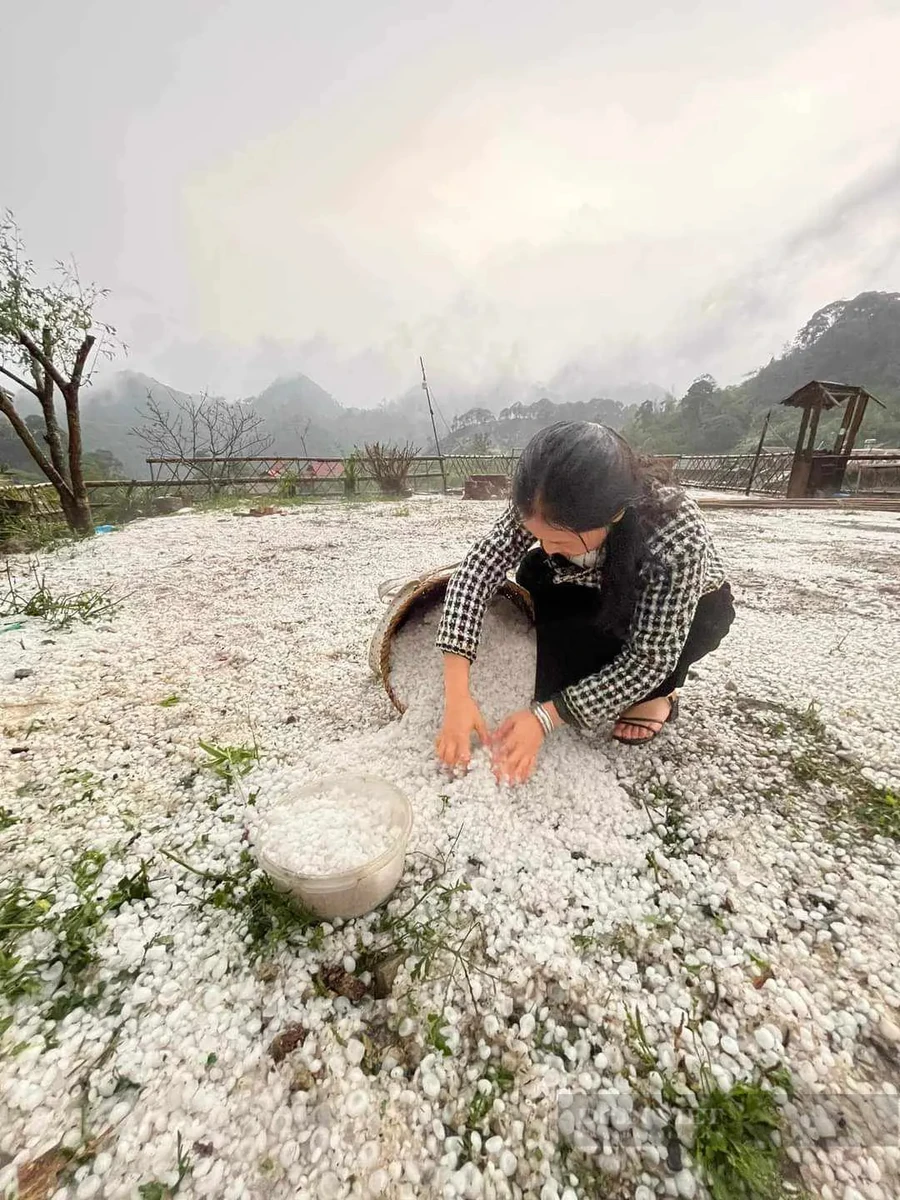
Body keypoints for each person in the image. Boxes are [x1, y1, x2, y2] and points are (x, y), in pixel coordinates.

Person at [435, 422, 734, 783]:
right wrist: (456, 693)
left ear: (613, 514)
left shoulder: (675, 533)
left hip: (678, 607)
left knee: (704, 619)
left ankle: (660, 695)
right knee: (536, 577)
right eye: (536, 535)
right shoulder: (543, 498)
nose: (545, 546)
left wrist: (545, 718)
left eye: (560, 539)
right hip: (591, 585)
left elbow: (651, 656)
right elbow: (479, 569)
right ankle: (594, 670)